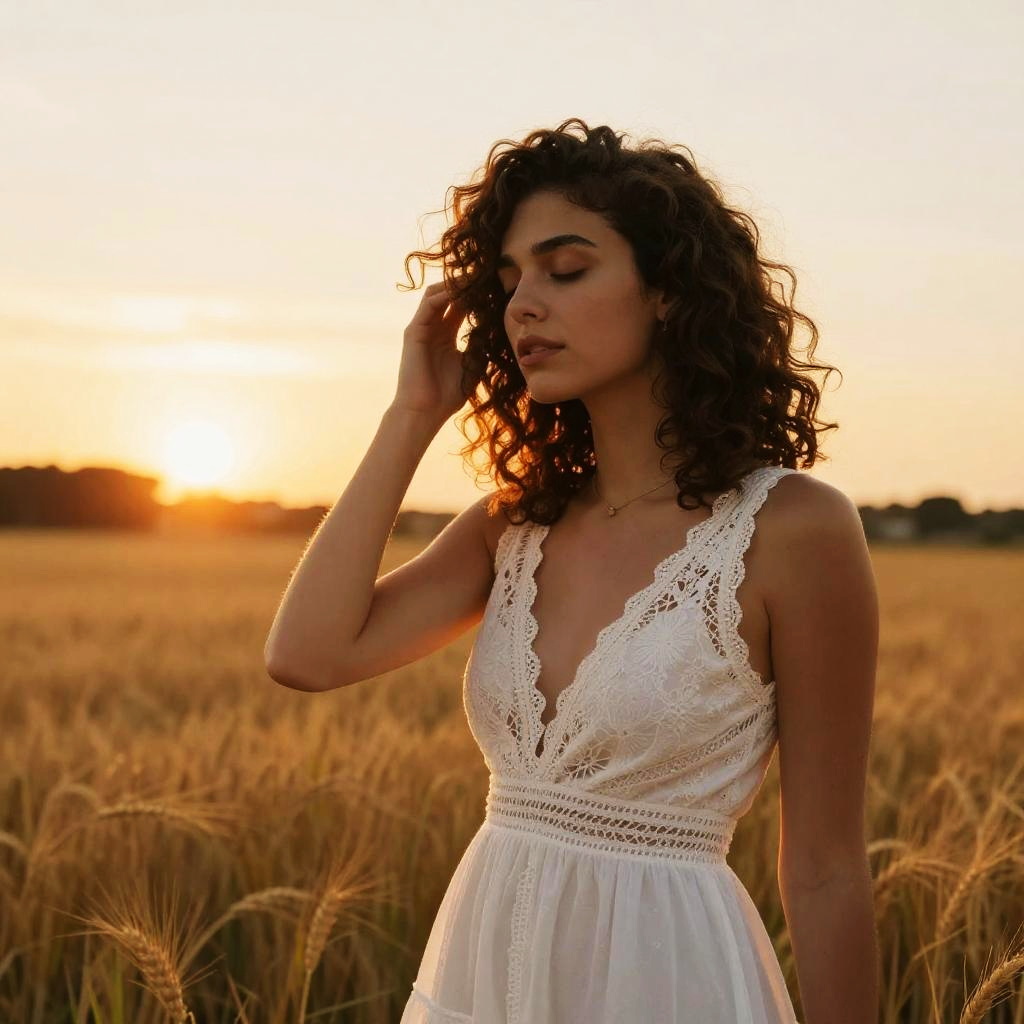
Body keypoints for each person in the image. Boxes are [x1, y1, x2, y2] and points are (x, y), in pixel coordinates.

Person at [265, 119, 880, 1023]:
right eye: (508, 281)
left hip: (670, 981)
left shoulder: (793, 529)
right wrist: (412, 413)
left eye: (566, 268)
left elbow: (824, 866)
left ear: (668, 289)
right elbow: (307, 654)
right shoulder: (513, 527)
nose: (521, 306)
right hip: (487, 972)